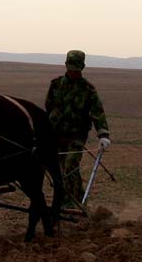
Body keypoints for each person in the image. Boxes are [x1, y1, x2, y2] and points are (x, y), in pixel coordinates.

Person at [45, 50, 111, 208]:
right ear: (66, 65)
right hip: (57, 135)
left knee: (70, 166)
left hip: (76, 136)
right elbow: (48, 107)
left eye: (77, 68)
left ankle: (68, 204)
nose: (73, 71)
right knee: (60, 171)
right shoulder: (55, 84)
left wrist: (103, 134)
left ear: (82, 67)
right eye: (71, 67)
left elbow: (97, 111)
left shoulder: (88, 89)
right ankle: (80, 199)